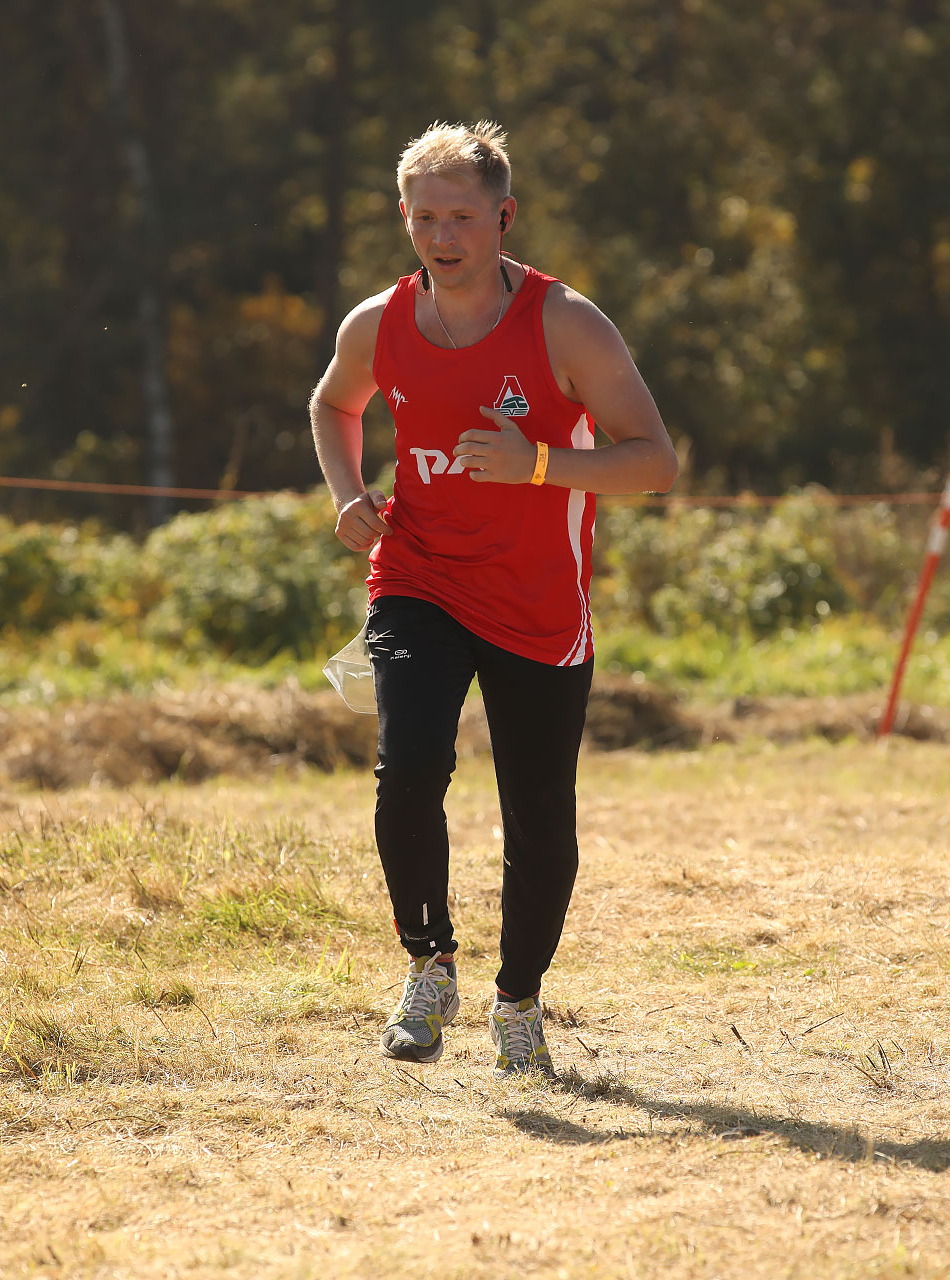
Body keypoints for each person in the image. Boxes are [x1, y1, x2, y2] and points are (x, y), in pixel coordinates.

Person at [310, 121, 677, 1078]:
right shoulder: (376, 324)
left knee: (539, 816)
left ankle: (518, 1002)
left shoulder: (567, 324)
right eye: (425, 217)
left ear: (504, 218)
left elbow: (654, 461)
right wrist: (348, 494)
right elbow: (333, 403)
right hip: (418, 578)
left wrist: (540, 464)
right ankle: (429, 966)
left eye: (463, 218)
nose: (443, 236)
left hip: (538, 602)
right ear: (403, 217)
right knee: (407, 770)